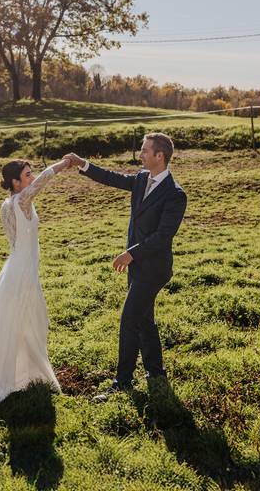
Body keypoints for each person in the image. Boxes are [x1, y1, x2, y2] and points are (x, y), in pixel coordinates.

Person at [64, 132, 187, 402]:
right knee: (143, 319)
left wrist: (131, 253)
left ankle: (123, 381)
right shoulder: (142, 179)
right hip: (137, 267)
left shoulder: (175, 195)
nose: (140, 155)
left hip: (154, 268)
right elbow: (113, 178)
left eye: (145, 151)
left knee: (130, 319)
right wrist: (82, 163)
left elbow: (163, 236)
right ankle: (156, 372)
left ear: (159, 156)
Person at [0, 157, 73, 404]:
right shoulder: (19, 201)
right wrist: (63, 165)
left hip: (21, 268)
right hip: (21, 271)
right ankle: (7, 378)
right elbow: (42, 183)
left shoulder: (12, 203)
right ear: (15, 182)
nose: (31, 178)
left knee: (26, 321)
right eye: (27, 175)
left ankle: (25, 373)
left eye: (31, 174)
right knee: (20, 321)